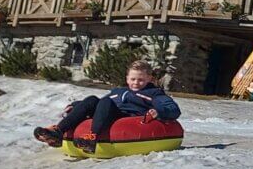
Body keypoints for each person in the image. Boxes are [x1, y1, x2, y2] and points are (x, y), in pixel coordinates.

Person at [33, 59, 182, 154]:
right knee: (92, 99)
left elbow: (172, 108)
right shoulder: (118, 92)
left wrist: (158, 111)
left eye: (141, 80)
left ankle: (92, 138)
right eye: (133, 79)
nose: (136, 83)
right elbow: (98, 104)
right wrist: (75, 106)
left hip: (128, 118)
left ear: (150, 78)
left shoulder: (153, 93)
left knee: (104, 102)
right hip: (108, 113)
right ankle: (58, 132)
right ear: (127, 78)